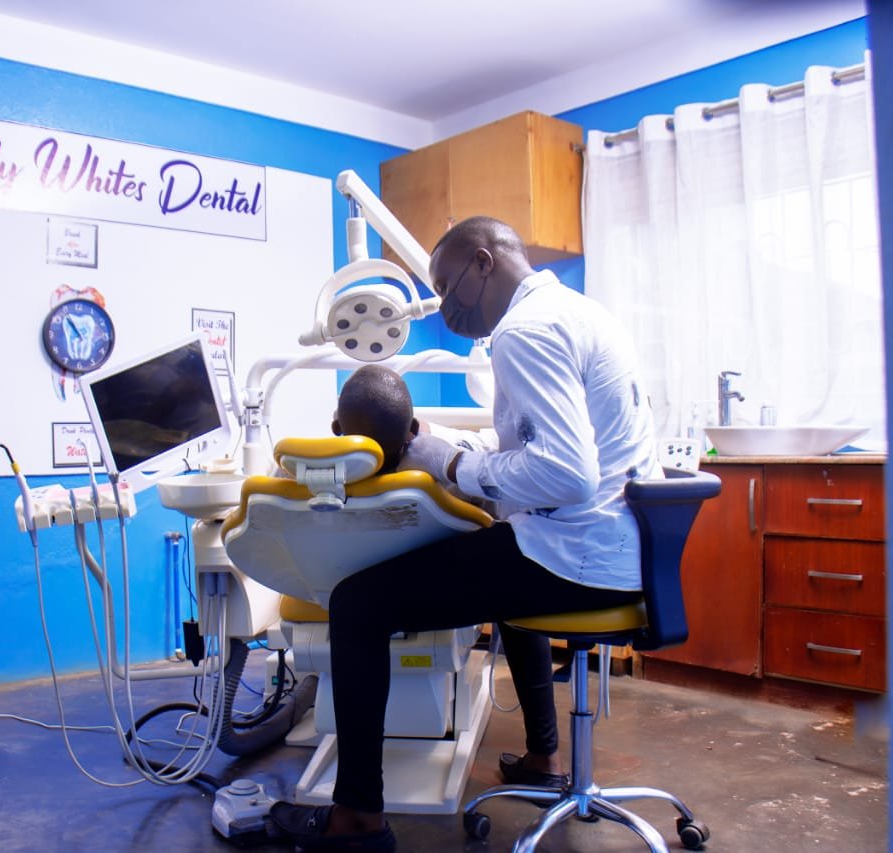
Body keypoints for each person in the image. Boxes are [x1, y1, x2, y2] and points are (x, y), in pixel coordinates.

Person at [269, 216, 660, 852]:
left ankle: (357, 818)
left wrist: (452, 466)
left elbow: (566, 474)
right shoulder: (579, 312)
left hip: (578, 554)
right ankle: (545, 756)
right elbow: (538, 449)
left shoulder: (523, 333)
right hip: (616, 547)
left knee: (358, 603)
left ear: (484, 262)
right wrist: (460, 451)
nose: (444, 308)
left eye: (448, 286)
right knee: (505, 567)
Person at [332, 363, 568, 793]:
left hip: (509, 541)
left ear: (413, 432)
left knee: (512, 600)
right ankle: (545, 757)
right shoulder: (328, 460)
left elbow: (508, 516)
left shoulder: (452, 455)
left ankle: (355, 811)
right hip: (400, 563)